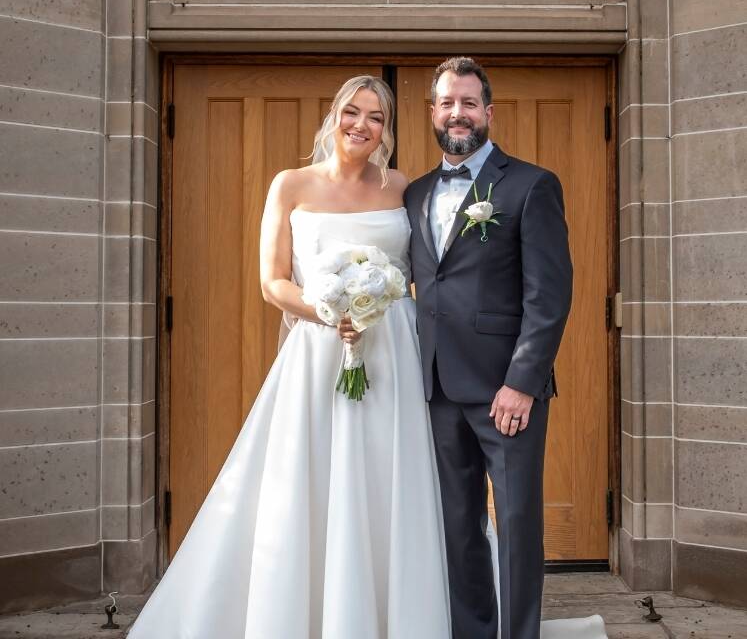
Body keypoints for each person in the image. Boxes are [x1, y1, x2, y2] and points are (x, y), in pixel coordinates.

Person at [127, 73, 606, 639]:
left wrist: (521, 378)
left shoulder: (406, 188)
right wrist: (329, 310)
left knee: (431, 500)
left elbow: (535, 291)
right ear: (334, 115)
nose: (362, 125)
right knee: (386, 502)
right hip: (324, 357)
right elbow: (272, 282)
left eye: (376, 117)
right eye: (353, 112)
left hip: (402, 363)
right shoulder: (301, 185)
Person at [405, 56, 574, 639]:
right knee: (458, 524)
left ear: (488, 112)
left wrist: (522, 383)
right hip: (437, 386)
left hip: (507, 391)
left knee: (518, 523)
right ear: (433, 112)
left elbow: (548, 296)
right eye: (447, 103)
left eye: (469, 103)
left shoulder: (531, 184)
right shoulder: (415, 193)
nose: (458, 113)